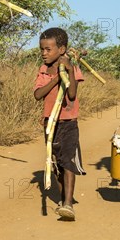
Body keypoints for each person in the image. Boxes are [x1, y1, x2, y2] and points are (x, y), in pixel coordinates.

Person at [34, 27, 86, 221]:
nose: (44, 53)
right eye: (42, 49)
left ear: (62, 49)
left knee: (69, 162)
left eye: (48, 49)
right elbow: (38, 94)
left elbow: (72, 94)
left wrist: (68, 70)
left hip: (68, 123)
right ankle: (64, 198)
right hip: (50, 123)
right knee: (56, 164)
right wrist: (56, 78)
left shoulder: (72, 68)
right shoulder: (44, 70)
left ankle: (69, 203)